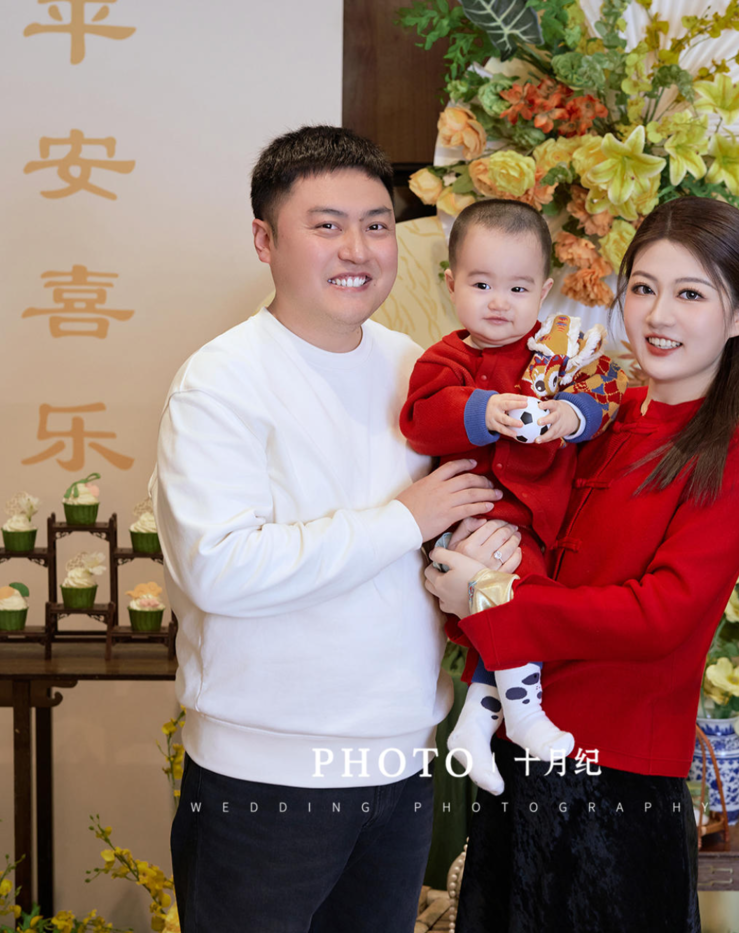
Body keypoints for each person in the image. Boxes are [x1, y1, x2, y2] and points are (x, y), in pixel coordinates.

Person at [154, 125, 509, 933]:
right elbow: (219, 567)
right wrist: (405, 518)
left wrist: (477, 546)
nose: (358, 248)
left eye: (376, 225)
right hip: (264, 774)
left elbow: (449, 522)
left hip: (400, 758)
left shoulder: (416, 368)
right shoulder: (221, 381)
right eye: (327, 225)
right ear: (264, 240)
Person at [425, 195, 739, 932]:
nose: (658, 314)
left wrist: (488, 596)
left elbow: (660, 617)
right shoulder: (593, 420)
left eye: (691, 295)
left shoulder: (736, 455)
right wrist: (457, 553)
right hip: (514, 757)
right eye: (643, 287)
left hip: (617, 782)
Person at [398, 198, 627, 794]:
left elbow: (603, 394)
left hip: (536, 526)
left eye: (518, 288)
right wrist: (485, 410)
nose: (499, 302)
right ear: (451, 283)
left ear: (544, 291)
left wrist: (570, 416)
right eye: (481, 284)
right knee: (512, 604)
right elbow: (420, 420)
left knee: (510, 614)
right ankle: (523, 715)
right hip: (475, 522)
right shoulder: (446, 358)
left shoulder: (559, 354)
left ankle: (474, 727)